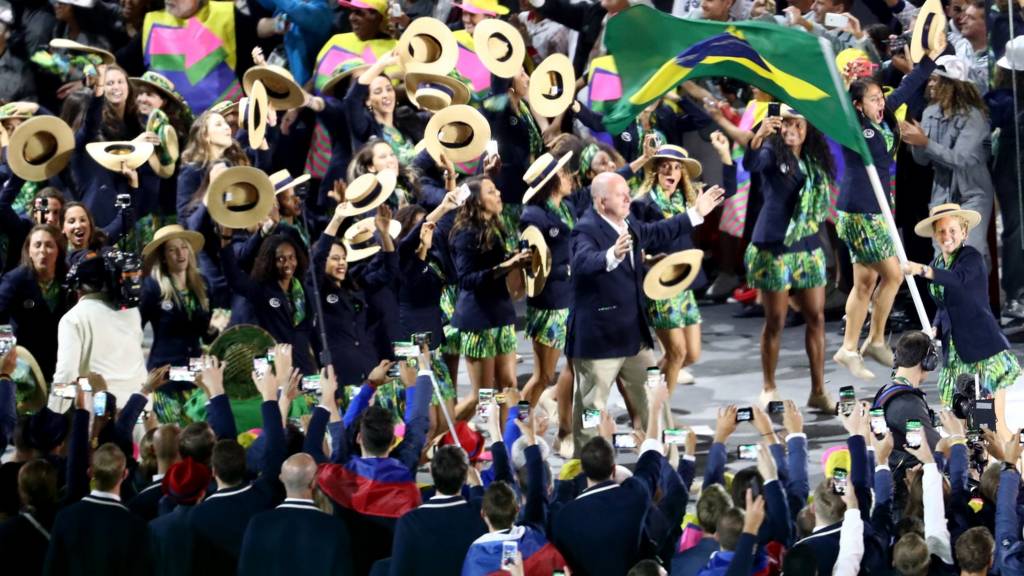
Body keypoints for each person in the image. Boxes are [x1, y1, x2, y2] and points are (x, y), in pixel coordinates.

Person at [568, 171, 722, 455]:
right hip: (599, 340)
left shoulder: (628, 223)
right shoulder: (586, 230)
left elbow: (658, 231)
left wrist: (694, 214)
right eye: (620, 194)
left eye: (628, 191)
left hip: (632, 336)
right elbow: (582, 262)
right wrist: (611, 254)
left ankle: (668, 466)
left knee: (655, 399)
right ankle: (586, 472)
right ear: (602, 202)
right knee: (591, 411)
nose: (629, 197)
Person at [833, 57, 935, 380]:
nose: (880, 103)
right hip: (861, 212)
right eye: (873, 99)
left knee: (865, 282)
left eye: (880, 97)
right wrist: (842, 80)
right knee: (893, 275)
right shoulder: (852, 126)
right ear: (857, 106)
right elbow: (838, 107)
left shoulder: (881, 115)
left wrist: (929, 61)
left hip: (875, 210)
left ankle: (851, 348)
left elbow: (905, 89)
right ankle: (874, 339)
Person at [743, 106, 835, 411]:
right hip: (775, 247)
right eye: (788, 124)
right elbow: (752, 163)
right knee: (776, 321)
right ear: (779, 127)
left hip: (809, 247)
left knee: (816, 318)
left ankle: (818, 391)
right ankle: (769, 387)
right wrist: (758, 137)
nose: (793, 129)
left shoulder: (814, 159)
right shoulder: (771, 151)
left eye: (800, 124)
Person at [903, 204, 1021, 439]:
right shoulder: (938, 263)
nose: (947, 236)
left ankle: (1018, 469)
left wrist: (921, 270)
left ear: (964, 232)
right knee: (965, 430)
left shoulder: (972, 259)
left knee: (989, 430)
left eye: (952, 230)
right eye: (942, 231)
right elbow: (944, 303)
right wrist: (936, 326)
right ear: (935, 235)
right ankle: (978, 474)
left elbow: (956, 281)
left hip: (982, 358)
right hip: (956, 358)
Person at [449, 176, 532, 420]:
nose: (498, 194)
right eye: (490, 191)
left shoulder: (497, 225)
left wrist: (516, 259)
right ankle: (443, 436)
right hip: (478, 319)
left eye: (496, 189)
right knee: (482, 396)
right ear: (475, 201)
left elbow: (502, 263)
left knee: (508, 386)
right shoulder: (464, 234)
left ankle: (504, 444)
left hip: (501, 313)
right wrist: (507, 265)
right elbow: (466, 280)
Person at [902, 55, 995, 265]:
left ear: (952, 84)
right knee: (943, 254)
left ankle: (977, 294)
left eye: (936, 79)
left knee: (969, 252)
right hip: (941, 196)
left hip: (972, 194)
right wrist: (914, 142)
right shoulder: (929, 113)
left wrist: (924, 142)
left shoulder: (974, 118)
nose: (930, 84)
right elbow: (923, 161)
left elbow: (960, 159)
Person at [630, 144, 708, 389]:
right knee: (676, 353)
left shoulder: (685, 200)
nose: (670, 172)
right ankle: (661, 417)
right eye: (665, 167)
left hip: (683, 284)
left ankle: (646, 390)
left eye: (676, 168)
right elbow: (639, 241)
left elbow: (727, 190)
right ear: (655, 172)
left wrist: (726, 159)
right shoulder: (642, 204)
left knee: (691, 354)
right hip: (659, 284)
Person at [139, 225, 214, 424]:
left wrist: (214, 327)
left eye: (183, 247)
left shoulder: (204, 284)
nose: (180, 253)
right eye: (172, 249)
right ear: (163, 256)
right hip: (165, 379)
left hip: (196, 380)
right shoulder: (152, 287)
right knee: (168, 436)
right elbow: (135, 328)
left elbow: (207, 336)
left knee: (198, 438)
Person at [43, 443, 152, 576]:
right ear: (124, 474)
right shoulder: (136, 526)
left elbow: (51, 570)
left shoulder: (65, 517)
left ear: (90, 472)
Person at [238, 453, 354, 576]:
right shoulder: (334, 527)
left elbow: (246, 570)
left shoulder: (258, 523)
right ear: (314, 482)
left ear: (281, 478)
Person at [53, 249, 147, 401]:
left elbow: (66, 374)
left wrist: (54, 411)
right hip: (139, 409)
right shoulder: (132, 312)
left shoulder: (72, 319)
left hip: (100, 412)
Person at [219, 232, 318, 375]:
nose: (288, 263)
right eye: (281, 259)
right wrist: (225, 240)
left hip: (304, 368)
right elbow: (234, 278)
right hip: (274, 370)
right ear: (270, 261)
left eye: (291, 257)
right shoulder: (261, 290)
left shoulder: (303, 290)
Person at [389, 446, 488, 576]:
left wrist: (426, 454)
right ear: (466, 478)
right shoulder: (480, 512)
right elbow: (481, 500)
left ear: (431, 474)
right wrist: (477, 484)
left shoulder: (409, 522)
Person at [0, 225, 70, 378]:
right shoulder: (14, 280)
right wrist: (7, 355)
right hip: (23, 366)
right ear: (29, 251)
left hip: (59, 364)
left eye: (49, 245)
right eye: (37, 245)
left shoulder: (68, 281)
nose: (42, 251)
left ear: (59, 250)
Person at [870, 331, 942, 471]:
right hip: (910, 482)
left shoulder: (886, 390)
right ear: (928, 362)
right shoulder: (908, 403)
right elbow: (937, 449)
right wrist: (958, 437)